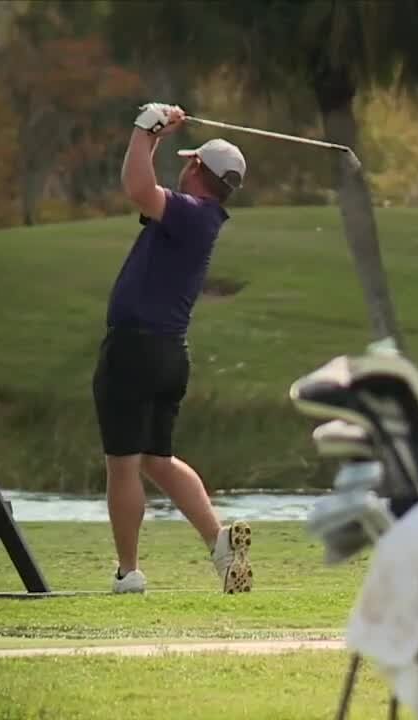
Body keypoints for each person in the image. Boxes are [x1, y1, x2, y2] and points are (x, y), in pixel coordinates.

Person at [92, 102, 253, 594]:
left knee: (122, 463)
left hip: (135, 350)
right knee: (156, 459)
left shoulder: (188, 213)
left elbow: (138, 188)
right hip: (168, 354)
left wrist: (143, 129)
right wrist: (154, 138)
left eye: (189, 161)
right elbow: (145, 186)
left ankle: (129, 572)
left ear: (197, 169)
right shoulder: (200, 218)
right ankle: (220, 543)